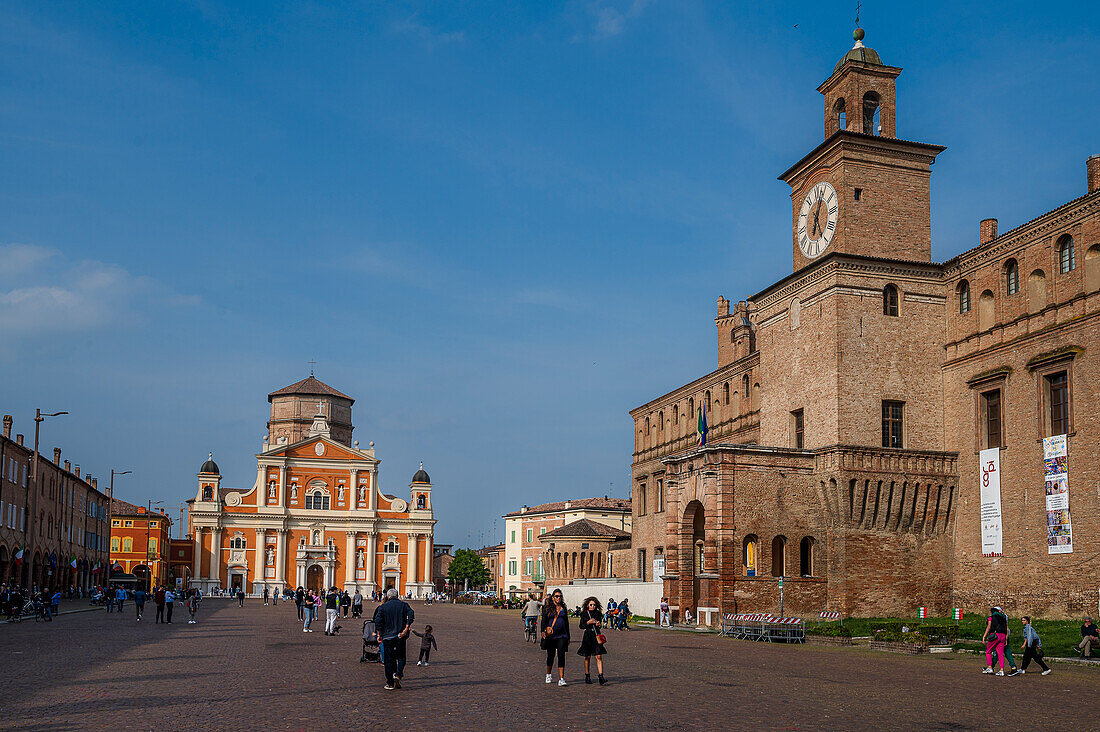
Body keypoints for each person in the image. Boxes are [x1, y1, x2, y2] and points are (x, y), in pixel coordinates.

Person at [373, 588, 414, 690]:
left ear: (388, 596)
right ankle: (398, 675)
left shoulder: (383, 607)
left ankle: (390, 683)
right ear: (398, 596)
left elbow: (378, 622)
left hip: (387, 637)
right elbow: (411, 615)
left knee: (388, 660)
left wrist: (379, 634)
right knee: (401, 657)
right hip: (400, 636)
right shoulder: (404, 605)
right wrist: (406, 628)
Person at [541, 588, 570, 686]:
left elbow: (566, 623)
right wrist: (543, 631)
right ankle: (548, 674)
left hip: (562, 635)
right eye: (557, 596)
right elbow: (543, 621)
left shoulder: (563, 608)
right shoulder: (547, 608)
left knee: (561, 655)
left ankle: (561, 678)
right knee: (551, 655)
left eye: (560, 596)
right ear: (553, 597)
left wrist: (568, 636)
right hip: (551, 636)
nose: (559, 598)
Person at [577, 596, 608, 685]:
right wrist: (588, 622)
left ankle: (601, 677)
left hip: (596, 635)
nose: (593, 606)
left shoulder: (598, 613)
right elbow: (581, 626)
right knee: (587, 657)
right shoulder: (584, 613)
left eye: (594, 605)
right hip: (588, 635)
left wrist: (598, 624)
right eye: (591, 605)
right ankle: (587, 676)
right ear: (587, 605)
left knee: (598, 656)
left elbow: (599, 624)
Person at [981, 606, 1008, 676]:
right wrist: (1006, 639)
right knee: (1000, 654)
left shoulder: (991, 617)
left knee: (988, 651)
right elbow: (1007, 629)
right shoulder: (1004, 617)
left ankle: (990, 667)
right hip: (1003, 636)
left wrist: (984, 636)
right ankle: (1001, 670)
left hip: (995, 635)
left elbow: (989, 627)